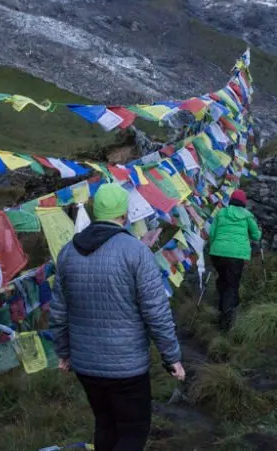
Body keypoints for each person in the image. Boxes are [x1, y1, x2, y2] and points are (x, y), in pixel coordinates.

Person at [50, 183, 185, 451]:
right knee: (133, 432)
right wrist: (172, 358)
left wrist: (64, 353)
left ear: (95, 211)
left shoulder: (67, 253)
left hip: (86, 364)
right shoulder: (136, 252)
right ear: (124, 215)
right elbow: (156, 312)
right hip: (127, 367)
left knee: (105, 425)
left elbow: (58, 313)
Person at [208, 189, 262, 331]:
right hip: (236, 255)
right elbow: (256, 236)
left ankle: (221, 309)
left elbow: (212, 233)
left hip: (217, 253)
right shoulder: (247, 215)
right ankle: (227, 321)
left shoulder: (221, 213)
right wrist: (259, 232)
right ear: (244, 202)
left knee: (223, 280)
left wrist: (215, 247)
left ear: (231, 200)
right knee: (232, 285)